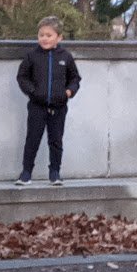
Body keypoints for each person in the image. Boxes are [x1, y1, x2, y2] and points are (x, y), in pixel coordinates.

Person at [15, 16, 81, 186]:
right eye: (41, 35)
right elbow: (22, 77)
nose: (44, 38)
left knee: (56, 141)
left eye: (49, 35)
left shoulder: (65, 57)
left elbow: (75, 78)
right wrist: (32, 91)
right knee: (32, 140)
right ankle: (26, 173)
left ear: (59, 37)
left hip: (59, 108)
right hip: (37, 106)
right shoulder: (32, 56)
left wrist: (68, 92)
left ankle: (55, 173)